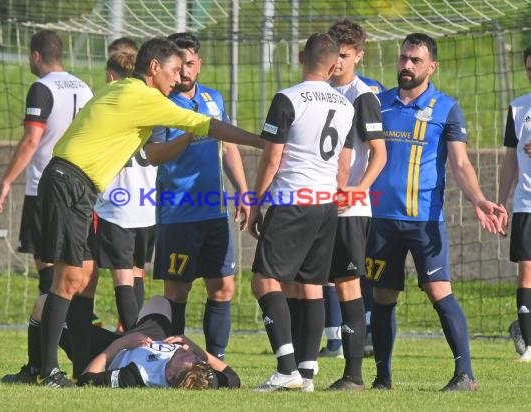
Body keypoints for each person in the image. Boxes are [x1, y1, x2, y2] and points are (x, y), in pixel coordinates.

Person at [36, 36, 263, 388]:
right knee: (68, 279)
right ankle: (46, 370)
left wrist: (185, 137)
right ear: (154, 68)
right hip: (71, 183)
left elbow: (151, 154)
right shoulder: (145, 97)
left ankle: (74, 362)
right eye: (173, 69)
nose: (176, 78)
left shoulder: (124, 89)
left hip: (70, 182)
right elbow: (210, 126)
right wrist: (265, 142)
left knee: (82, 279)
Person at [367, 33, 507, 392]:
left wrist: (478, 199)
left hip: (425, 220)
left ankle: (465, 375)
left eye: (415, 60)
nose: (407, 65)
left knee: (438, 289)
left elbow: (460, 164)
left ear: (432, 66)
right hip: (380, 220)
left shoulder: (446, 107)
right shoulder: (376, 103)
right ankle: (382, 379)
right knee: (382, 296)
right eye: (403, 58)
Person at [248, 33, 355, 392]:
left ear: (300, 56)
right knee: (311, 286)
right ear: (333, 65)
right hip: (326, 203)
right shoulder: (345, 105)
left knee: (264, 279)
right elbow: (344, 162)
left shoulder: (287, 98)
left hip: (292, 200)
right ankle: (306, 374)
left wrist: (253, 200)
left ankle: (286, 369)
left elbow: (271, 157)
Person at [0, 30, 94, 383]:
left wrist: (6, 180)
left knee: (50, 280)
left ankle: (43, 363)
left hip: (46, 191)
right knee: (72, 278)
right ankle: (64, 359)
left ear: (35, 56)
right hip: (81, 190)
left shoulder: (43, 88)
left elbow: (33, 138)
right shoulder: (85, 87)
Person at [146, 32, 249, 360]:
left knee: (223, 288)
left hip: (215, 214)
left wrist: (244, 192)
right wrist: (189, 136)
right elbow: (154, 154)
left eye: (190, 64)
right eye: (179, 66)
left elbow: (229, 147)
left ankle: (216, 362)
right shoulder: (160, 103)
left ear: (199, 64)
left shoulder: (213, 99)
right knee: (177, 291)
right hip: (178, 215)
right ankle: (173, 360)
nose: (184, 72)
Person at [322, 19, 386, 391]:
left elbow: (380, 153)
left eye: (345, 55)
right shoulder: (320, 91)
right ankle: (302, 368)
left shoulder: (363, 97)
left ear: (358, 56)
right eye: (334, 54)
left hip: (350, 209)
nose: (338, 62)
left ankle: (353, 376)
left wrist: (358, 189)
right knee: (309, 284)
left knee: (348, 287)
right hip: (317, 206)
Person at [12, 294, 240, 389]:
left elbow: (88, 379)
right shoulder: (202, 377)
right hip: (146, 338)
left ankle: (34, 368)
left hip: (110, 349)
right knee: (160, 303)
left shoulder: (137, 375)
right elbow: (232, 377)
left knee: (44, 304)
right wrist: (194, 345)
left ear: (169, 375)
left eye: (186, 357)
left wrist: (121, 344)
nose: (189, 353)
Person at [93, 41, 157, 332]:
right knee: (137, 273)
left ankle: (133, 340)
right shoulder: (152, 106)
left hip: (118, 206)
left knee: (122, 278)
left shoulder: (106, 106)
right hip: (148, 205)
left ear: (111, 76)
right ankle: (132, 333)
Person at [498, 45, 531, 362]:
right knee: (526, 272)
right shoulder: (519, 109)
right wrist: (501, 201)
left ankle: (522, 326)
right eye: (529, 68)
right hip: (526, 205)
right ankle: (529, 346)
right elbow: (510, 159)